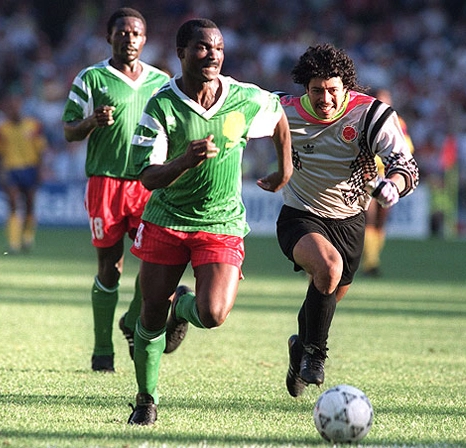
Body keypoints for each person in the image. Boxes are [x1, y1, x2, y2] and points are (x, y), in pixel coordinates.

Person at [125, 18, 292, 425]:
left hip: (220, 222)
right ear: (181, 53)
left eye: (217, 47)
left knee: (214, 314)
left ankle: (181, 309)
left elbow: (279, 117)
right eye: (201, 47)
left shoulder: (243, 97)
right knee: (149, 316)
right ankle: (147, 400)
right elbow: (145, 175)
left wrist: (284, 169)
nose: (212, 55)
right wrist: (185, 160)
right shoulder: (161, 105)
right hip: (166, 219)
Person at [276, 44, 419, 397]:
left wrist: (393, 186)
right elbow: (233, 120)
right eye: (316, 90)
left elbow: (406, 165)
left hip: (350, 221)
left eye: (332, 90)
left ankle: (300, 349)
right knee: (327, 268)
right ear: (304, 88)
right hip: (300, 214)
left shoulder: (372, 115)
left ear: (346, 87)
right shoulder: (281, 110)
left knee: (326, 293)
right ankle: (315, 354)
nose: (324, 98)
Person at [62, 7, 170, 373]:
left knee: (156, 261)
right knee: (111, 267)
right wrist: (91, 121)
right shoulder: (91, 78)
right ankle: (102, 350)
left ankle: (132, 318)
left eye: (135, 33)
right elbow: (68, 129)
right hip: (105, 182)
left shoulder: (161, 81)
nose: (129, 38)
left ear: (145, 38)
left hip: (147, 182)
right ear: (109, 37)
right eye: (121, 32)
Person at [361, 88, 415, 276]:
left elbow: (406, 148)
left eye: (386, 101)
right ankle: (370, 262)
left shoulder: (397, 122)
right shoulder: (362, 120)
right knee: (369, 218)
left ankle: (373, 257)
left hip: (388, 177)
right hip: (366, 177)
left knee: (381, 222)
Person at [0, 90, 47, 254]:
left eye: (16, 105)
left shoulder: (33, 125)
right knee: (13, 203)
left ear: (21, 106)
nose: (14, 109)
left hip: (30, 168)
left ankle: (27, 238)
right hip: (10, 168)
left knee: (29, 205)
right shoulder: (1, 129)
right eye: (10, 106)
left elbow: (41, 149)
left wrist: (41, 169)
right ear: (7, 109)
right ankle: (13, 244)